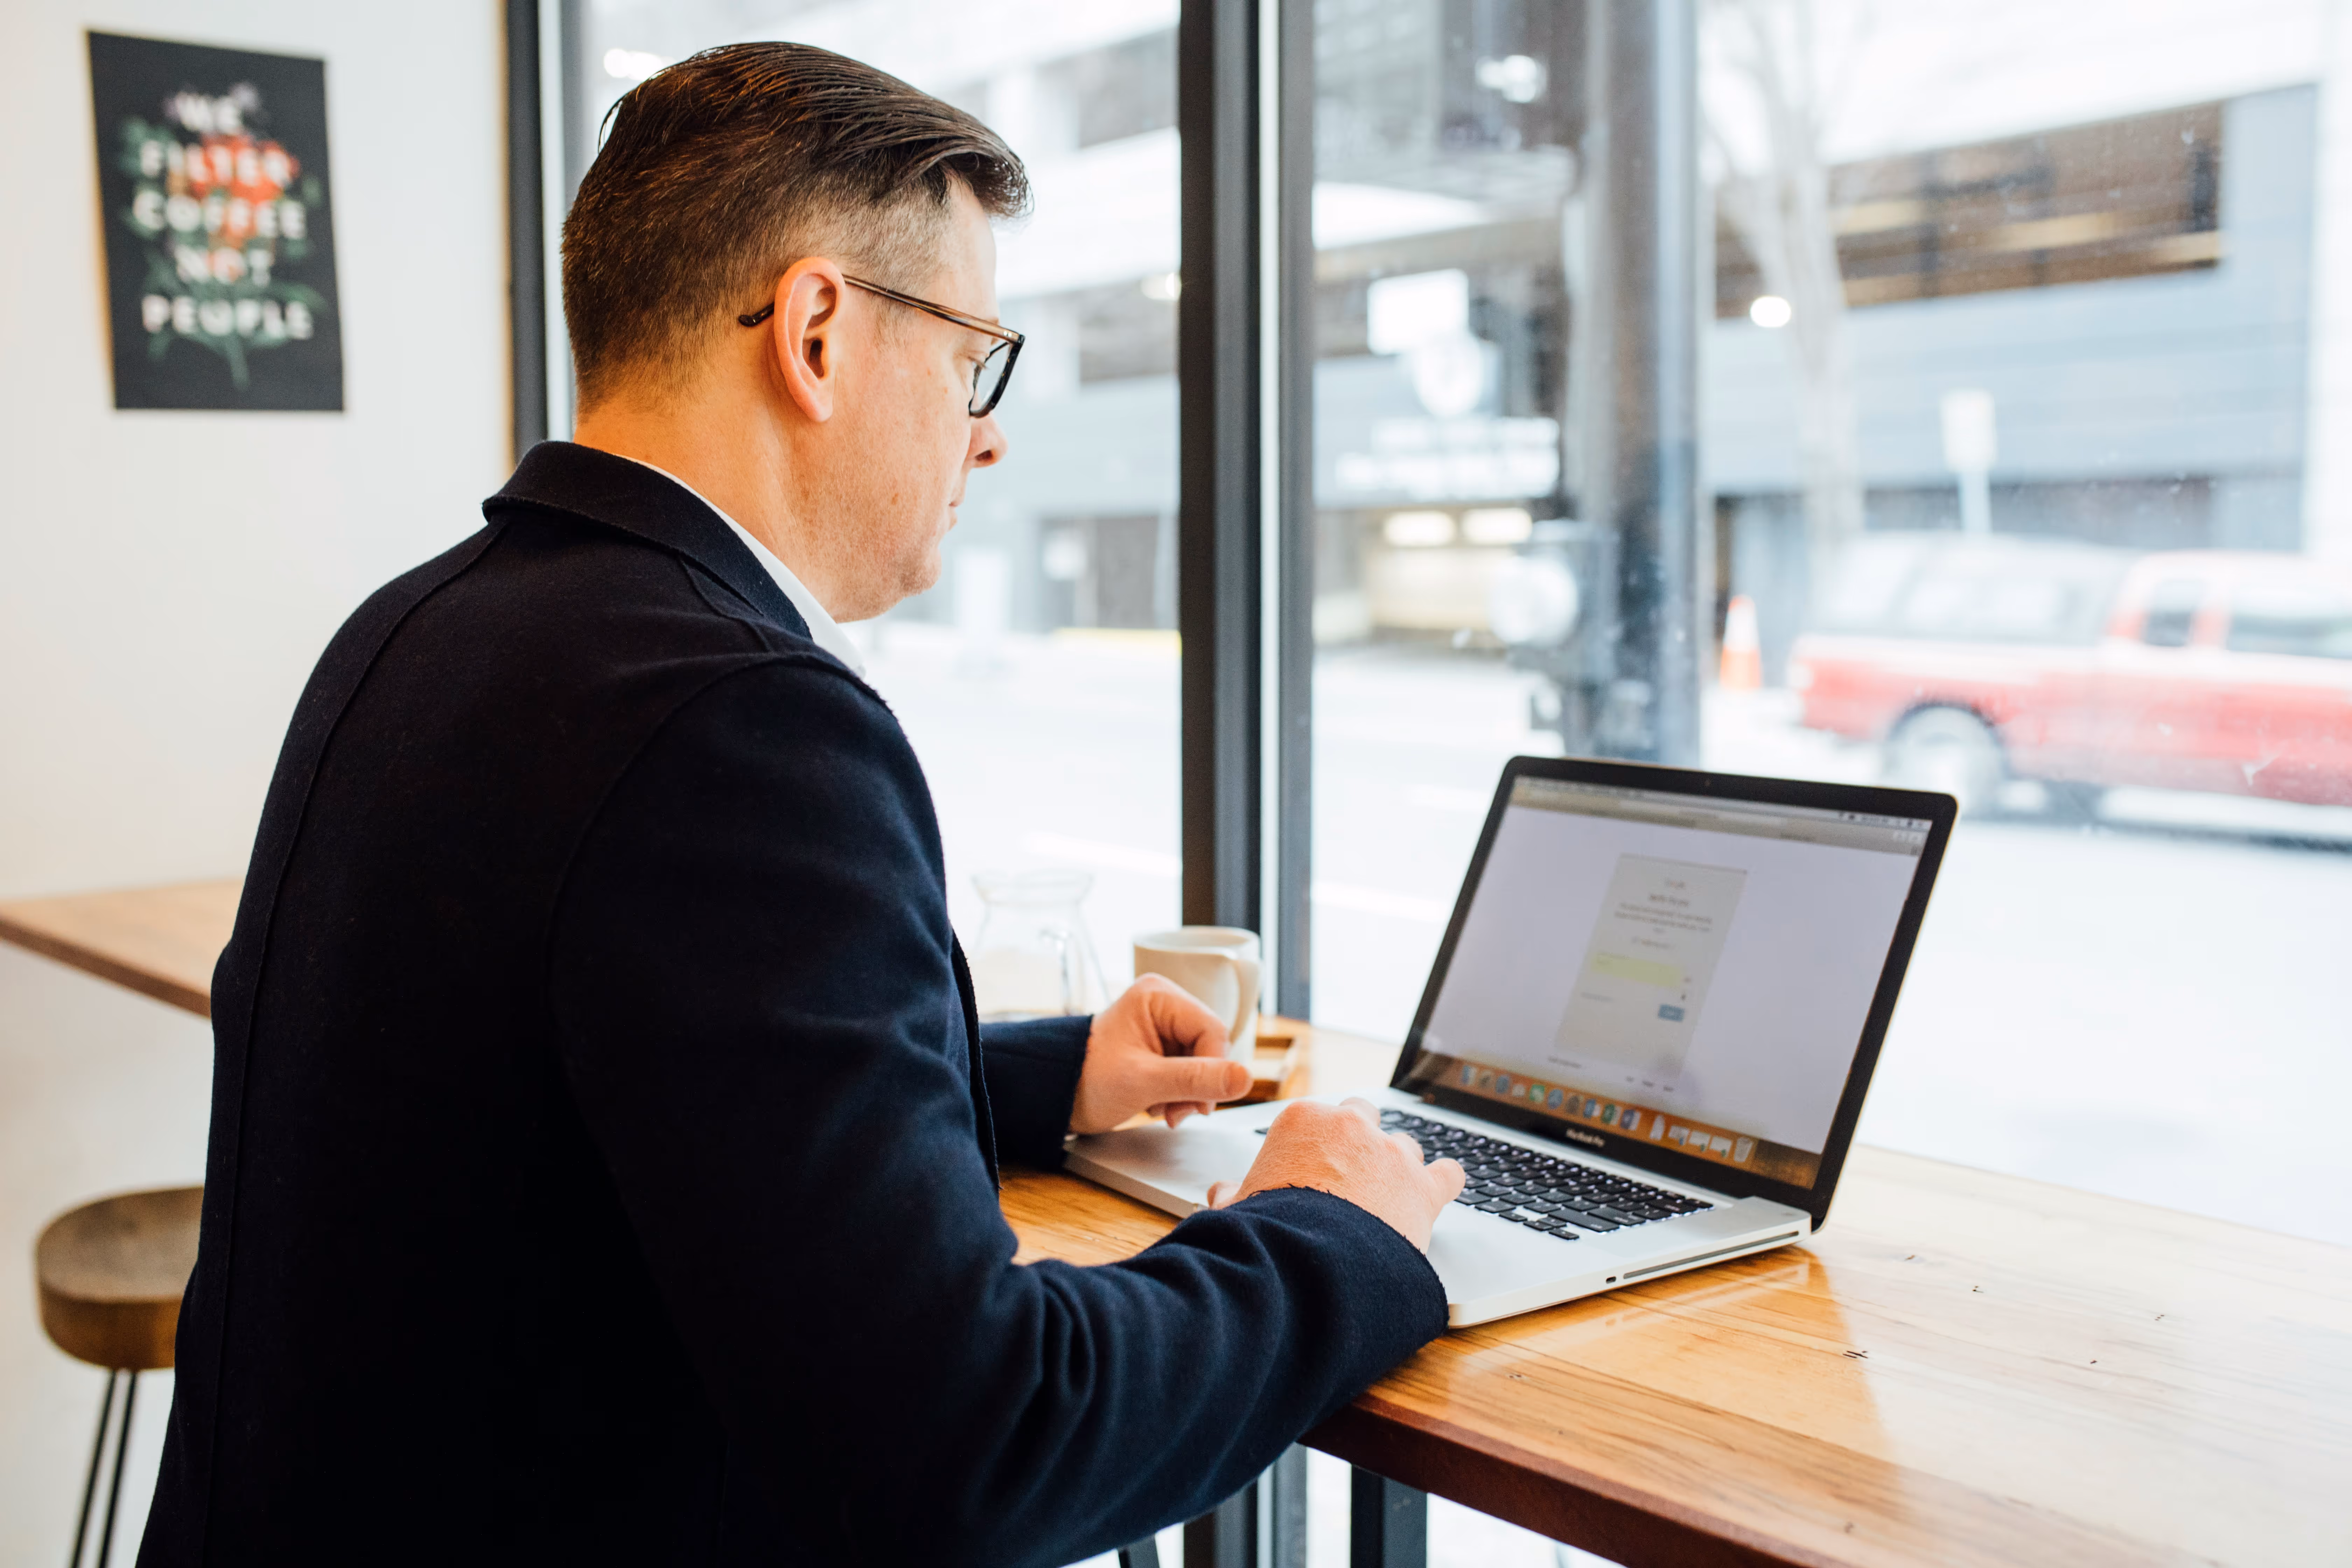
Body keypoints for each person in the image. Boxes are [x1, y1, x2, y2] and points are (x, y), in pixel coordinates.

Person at [139, 41, 1462, 1567]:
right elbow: (972, 1447)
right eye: (974, 357)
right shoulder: (739, 723)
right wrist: (1323, 1232)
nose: (989, 429)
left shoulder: (414, 630)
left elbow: (610, 1074)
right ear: (819, 331)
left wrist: (1038, 1078)